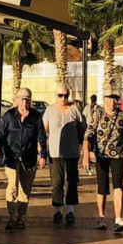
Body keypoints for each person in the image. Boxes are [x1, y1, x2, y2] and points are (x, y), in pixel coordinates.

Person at [0, 87, 47, 230]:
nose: (24, 103)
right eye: (22, 100)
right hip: (11, 157)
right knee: (12, 187)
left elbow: (41, 137)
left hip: (29, 158)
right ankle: (12, 216)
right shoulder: (9, 116)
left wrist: (43, 155)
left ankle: (20, 217)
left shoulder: (36, 116)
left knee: (25, 189)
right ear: (17, 100)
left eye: (27, 100)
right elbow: (0, 134)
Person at [84, 92, 123, 231]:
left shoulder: (122, 116)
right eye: (111, 99)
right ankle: (101, 218)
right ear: (105, 100)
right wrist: (86, 153)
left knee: (118, 185)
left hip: (118, 155)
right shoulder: (98, 113)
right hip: (101, 155)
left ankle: (118, 218)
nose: (113, 103)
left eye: (116, 100)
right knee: (102, 186)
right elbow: (88, 134)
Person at [42, 84, 85, 225]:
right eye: (60, 95)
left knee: (71, 182)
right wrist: (41, 151)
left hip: (72, 153)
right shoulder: (49, 110)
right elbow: (43, 131)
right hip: (55, 153)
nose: (63, 98)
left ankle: (70, 211)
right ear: (55, 95)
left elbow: (82, 130)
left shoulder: (74, 110)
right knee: (57, 182)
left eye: (66, 95)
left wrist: (84, 149)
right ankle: (57, 211)